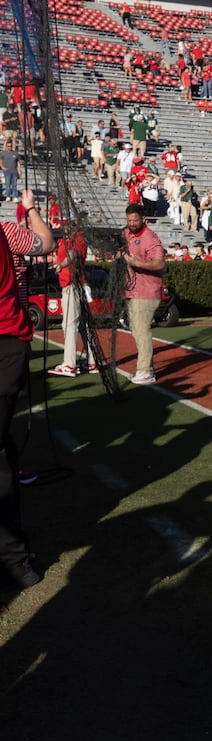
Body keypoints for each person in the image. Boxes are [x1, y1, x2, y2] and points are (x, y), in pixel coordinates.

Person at [0, 189, 54, 591]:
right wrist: (32, 207)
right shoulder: (8, 231)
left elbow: (47, 245)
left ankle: (14, 556)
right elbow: (46, 241)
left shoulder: (6, 232)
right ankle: (14, 556)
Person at [120, 204, 166, 385]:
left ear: (143, 220)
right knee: (135, 329)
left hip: (147, 290)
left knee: (141, 330)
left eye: (135, 220)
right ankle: (146, 367)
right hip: (132, 289)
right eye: (129, 220)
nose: (131, 224)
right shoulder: (127, 234)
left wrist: (136, 262)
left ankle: (145, 371)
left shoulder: (150, 238)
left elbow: (160, 264)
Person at [46, 226, 94, 378]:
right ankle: (92, 361)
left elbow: (73, 254)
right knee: (81, 326)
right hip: (74, 284)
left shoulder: (78, 237)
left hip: (73, 285)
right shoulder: (68, 238)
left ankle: (69, 364)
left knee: (69, 324)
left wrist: (61, 264)